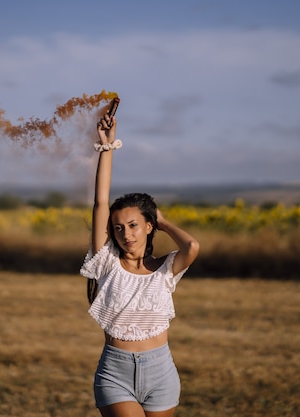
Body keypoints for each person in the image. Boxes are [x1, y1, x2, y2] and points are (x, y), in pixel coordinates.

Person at [80, 110, 200, 417]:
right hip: (115, 373)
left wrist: (163, 221)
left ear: (148, 227)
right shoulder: (105, 262)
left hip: (161, 373)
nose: (125, 234)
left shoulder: (165, 269)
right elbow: (100, 202)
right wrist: (106, 147)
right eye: (118, 228)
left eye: (133, 225)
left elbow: (192, 246)